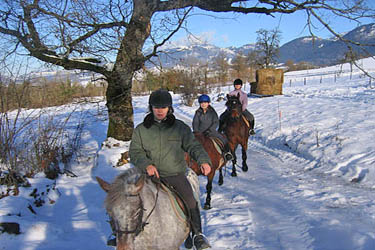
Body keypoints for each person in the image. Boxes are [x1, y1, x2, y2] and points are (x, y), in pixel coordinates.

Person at [129, 89, 211, 250]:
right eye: (156, 107)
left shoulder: (180, 128)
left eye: (163, 107)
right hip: (148, 176)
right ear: (151, 108)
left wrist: (203, 160)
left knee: (190, 200)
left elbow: (193, 146)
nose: (160, 110)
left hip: (174, 174)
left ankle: (197, 234)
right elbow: (135, 152)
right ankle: (121, 235)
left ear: (169, 108)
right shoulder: (141, 130)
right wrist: (146, 165)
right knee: (126, 199)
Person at [193, 94, 233, 161]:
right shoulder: (198, 112)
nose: (203, 104)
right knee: (189, 140)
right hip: (200, 133)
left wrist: (210, 130)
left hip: (211, 132)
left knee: (223, 139)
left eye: (205, 103)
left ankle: (227, 153)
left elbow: (215, 122)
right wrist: (196, 131)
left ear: (208, 103)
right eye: (202, 103)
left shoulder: (212, 112)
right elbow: (195, 123)